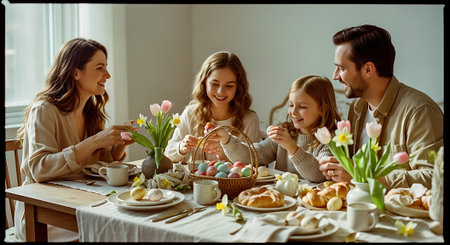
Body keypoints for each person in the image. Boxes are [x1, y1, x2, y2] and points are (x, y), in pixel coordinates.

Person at [14, 38, 137, 241]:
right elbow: (39, 169)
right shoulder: (44, 110)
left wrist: (117, 148)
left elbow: (98, 165)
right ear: (75, 72)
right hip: (42, 213)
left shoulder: (91, 112)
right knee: (117, 230)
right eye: (100, 68)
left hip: (79, 203)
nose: (107, 75)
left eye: (106, 68)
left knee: (130, 222)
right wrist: (96, 141)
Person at [319, 24, 443, 189]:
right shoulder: (357, 107)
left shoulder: (420, 111)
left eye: (341, 68)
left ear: (368, 69)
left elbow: (432, 176)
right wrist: (340, 167)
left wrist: (361, 176)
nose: (335, 76)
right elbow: (354, 167)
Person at [214, 75, 340, 183]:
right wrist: (227, 139)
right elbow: (253, 156)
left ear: (323, 109)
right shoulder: (287, 132)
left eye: (302, 107)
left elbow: (319, 174)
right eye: (291, 105)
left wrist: (291, 147)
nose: (293, 112)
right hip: (281, 201)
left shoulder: (332, 139)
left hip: (311, 205)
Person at [165, 51, 261, 163]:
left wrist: (225, 152)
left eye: (229, 86)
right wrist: (181, 147)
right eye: (214, 84)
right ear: (204, 83)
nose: (220, 92)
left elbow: (254, 162)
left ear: (238, 88)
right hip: (194, 180)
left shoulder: (249, 119)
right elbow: (168, 154)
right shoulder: (190, 113)